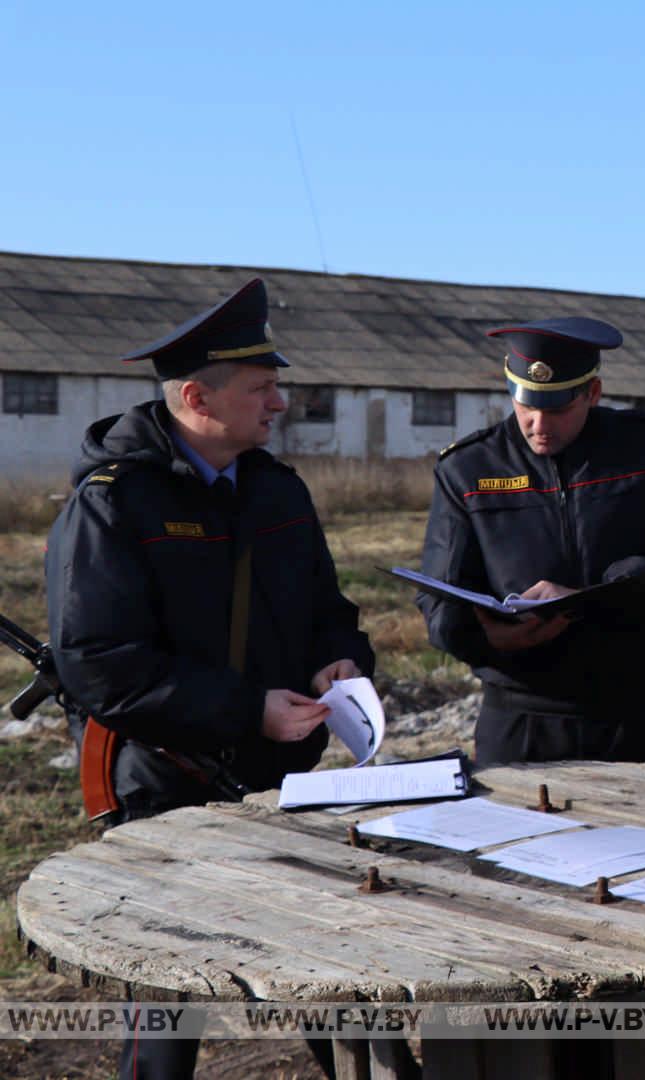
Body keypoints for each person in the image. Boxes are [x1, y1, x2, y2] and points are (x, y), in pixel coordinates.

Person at [46, 277, 374, 1080]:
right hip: (165, 784)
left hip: (276, 782)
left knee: (321, 982)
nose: (281, 404)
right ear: (198, 396)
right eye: (262, 388)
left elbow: (328, 609)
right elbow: (100, 665)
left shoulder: (277, 488)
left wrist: (341, 659)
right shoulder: (115, 503)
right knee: (167, 1006)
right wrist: (245, 710)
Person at [418, 316, 645, 766]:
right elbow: (439, 595)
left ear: (592, 394)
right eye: (526, 405)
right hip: (520, 717)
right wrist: (486, 636)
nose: (539, 424)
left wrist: (591, 600)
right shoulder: (467, 469)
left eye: (557, 409)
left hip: (631, 713)